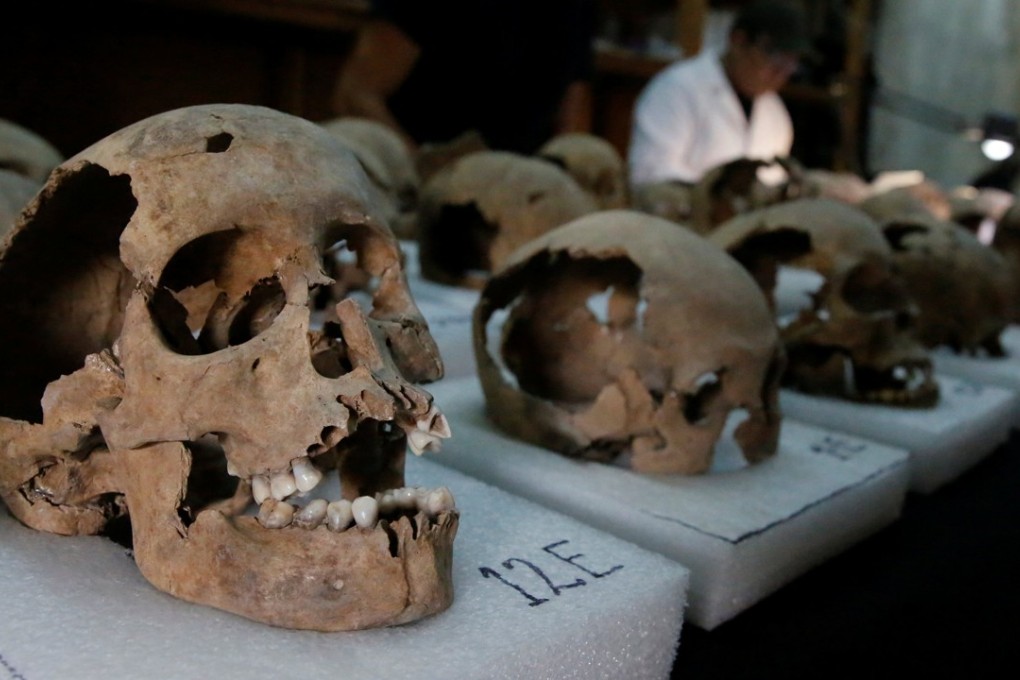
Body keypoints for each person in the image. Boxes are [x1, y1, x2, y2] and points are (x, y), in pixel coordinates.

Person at [331, 0, 597, 156]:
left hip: (516, 196)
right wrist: (421, 172)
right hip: (411, 186)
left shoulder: (576, 7)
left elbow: (570, 130)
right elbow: (356, 95)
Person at [627, 0, 810, 186]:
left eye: (791, 62)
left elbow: (773, 184)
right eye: (774, 56)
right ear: (738, 40)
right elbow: (651, 175)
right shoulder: (677, 88)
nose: (781, 72)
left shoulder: (777, 115)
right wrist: (715, 194)